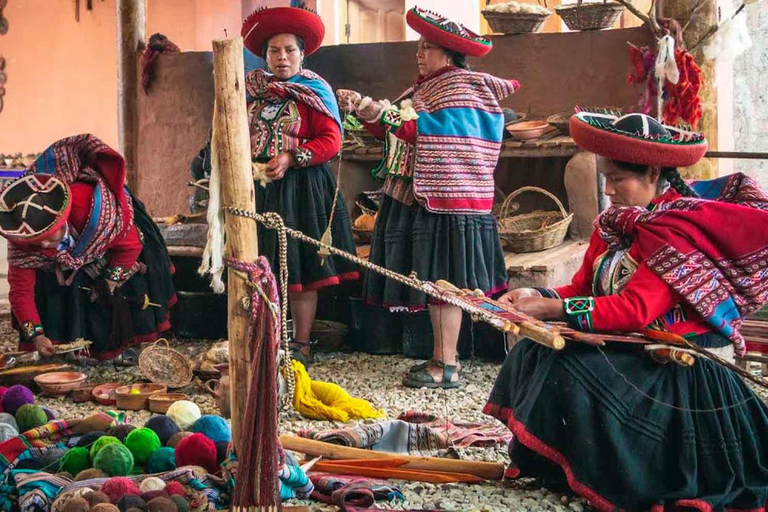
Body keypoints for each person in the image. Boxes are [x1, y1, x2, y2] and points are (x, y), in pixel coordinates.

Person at [485, 111, 768, 510]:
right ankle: (560, 467)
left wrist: (551, 309)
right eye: (605, 177)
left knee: (570, 369)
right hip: (631, 346)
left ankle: (624, 477)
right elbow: (581, 289)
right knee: (538, 349)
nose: (608, 189)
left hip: (677, 365)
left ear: (653, 173)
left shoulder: (675, 231)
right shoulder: (615, 225)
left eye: (618, 179)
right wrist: (532, 293)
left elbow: (636, 309)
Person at [337, 7, 518, 389]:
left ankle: (447, 364)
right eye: (420, 46)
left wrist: (376, 109)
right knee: (436, 282)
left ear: (449, 54)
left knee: (445, 282)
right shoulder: (428, 86)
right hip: (421, 197)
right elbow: (398, 130)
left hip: (447, 200)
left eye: (427, 47)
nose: (419, 53)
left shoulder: (461, 88)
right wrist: (365, 110)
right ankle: (441, 359)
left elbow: (433, 133)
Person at [241, 6, 358, 366]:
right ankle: (265, 339)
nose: (282, 57)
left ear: (302, 53)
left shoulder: (313, 91)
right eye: (274, 51)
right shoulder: (256, 93)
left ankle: (301, 344)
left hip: (303, 189)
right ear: (265, 56)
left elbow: (331, 140)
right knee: (261, 262)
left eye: (289, 50)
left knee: (302, 265)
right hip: (260, 189)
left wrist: (292, 157)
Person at [2, 135, 175, 361]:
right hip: (71, 251)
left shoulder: (92, 209)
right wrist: (36, 335)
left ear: (62, 219)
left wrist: (110, 281)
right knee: (52, 287)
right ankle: (63, 344)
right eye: (37, 241)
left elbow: (130, 245)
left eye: (48, 236)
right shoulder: (21, 238)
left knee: (120, 289)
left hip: (119, 235)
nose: (43, 244)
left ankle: (126, 347)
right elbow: (21, 292)